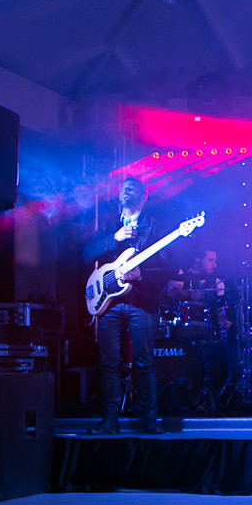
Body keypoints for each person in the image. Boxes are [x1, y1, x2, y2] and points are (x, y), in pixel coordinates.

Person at [82, 176, 179, 434]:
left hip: (142, 302)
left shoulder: (155, 226)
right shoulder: (110, 225)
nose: (126, 190)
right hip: (108, 303)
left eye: (132, 188)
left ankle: (149, 420)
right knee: (108, 363)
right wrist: (114, 238)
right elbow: (86, 254)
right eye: (123, 188)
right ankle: (109, 421)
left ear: (144, 196)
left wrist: (142, 275)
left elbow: (168, 266)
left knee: (144, 361)